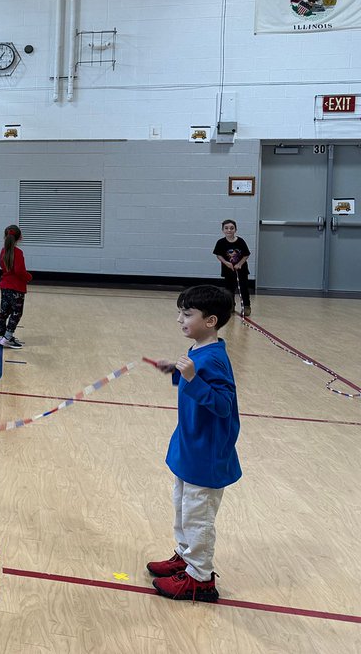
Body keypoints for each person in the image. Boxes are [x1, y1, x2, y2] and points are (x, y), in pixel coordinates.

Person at [146, 284, 241, 603]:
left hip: (206, 454)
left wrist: (191, 378)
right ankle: (185, 558)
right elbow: (195, 383)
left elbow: (223, 404)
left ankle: (200, 578)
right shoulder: (199, 349)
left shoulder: (215, 358)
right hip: (190, 446)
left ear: (210, 321)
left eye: (187, 314)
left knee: (198, 517)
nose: (179, 319)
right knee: (183, 509)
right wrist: (177, 372)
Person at [0, 225, 31, 349]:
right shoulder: (18, 252)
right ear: (19, 237)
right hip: (16, 287)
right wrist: (28, 277)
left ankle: (1, 336)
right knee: (16, 313)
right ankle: (7, 338)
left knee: (3, 312)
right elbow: (19, 271)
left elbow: (2, 265)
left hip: (5, 285)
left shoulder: (3, 251)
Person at [213, 220, 251, 316]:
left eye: (231, 228)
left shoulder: (240, 241)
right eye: (226, 228)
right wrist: (226, 263)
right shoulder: (220, 242)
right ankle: (231, 306)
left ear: (235, 230)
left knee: (243, 288)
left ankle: (246, 306)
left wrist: (239, 264)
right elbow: (218, 255)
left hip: (241, 270)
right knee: (229, 289)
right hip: (228, 269)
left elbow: (246, 254)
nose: (229, 230)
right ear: (223, 230)